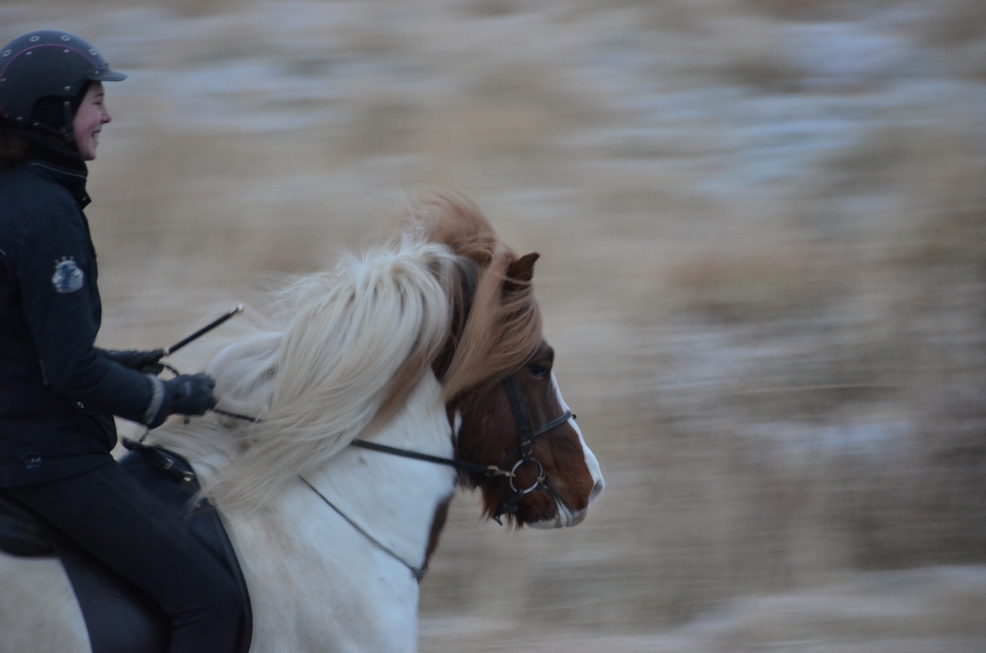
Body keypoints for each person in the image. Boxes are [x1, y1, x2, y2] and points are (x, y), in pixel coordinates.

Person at [0, 30, 239, 653]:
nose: (107, 115)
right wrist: (169, 399)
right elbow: (69, 373)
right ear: (52, 112)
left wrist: (122, 364)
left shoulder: (12, 196)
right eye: (95, 101)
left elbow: (20, 348)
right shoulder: (45, 215)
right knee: (210, 601)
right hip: (40, 459)